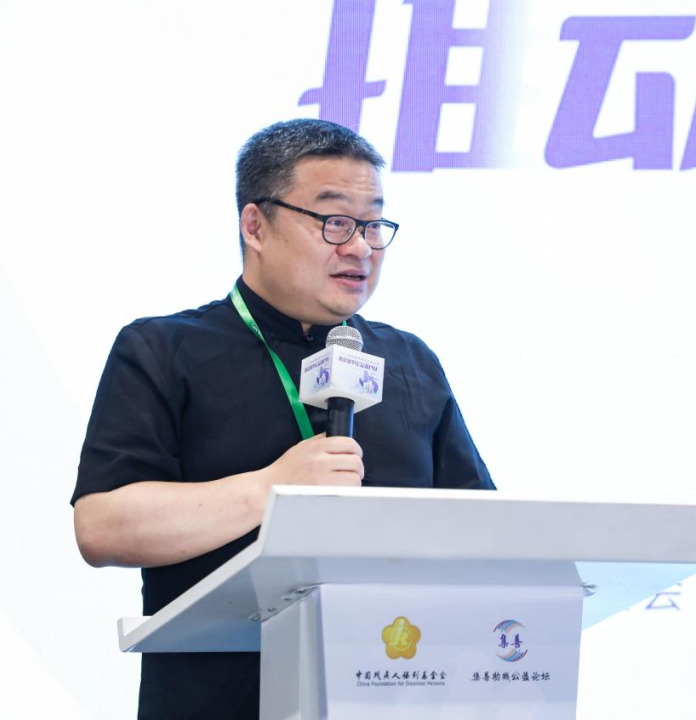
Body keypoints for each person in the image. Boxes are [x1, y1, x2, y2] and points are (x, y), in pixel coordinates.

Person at [71, 118, 494, 718]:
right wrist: (271, 489)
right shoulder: (163, 349)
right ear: (255, 226)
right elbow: (102, 527)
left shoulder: (408, 361)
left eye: (373, 225)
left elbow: (481, 534)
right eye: (335, 221)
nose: (360, 247)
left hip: (393, 694)